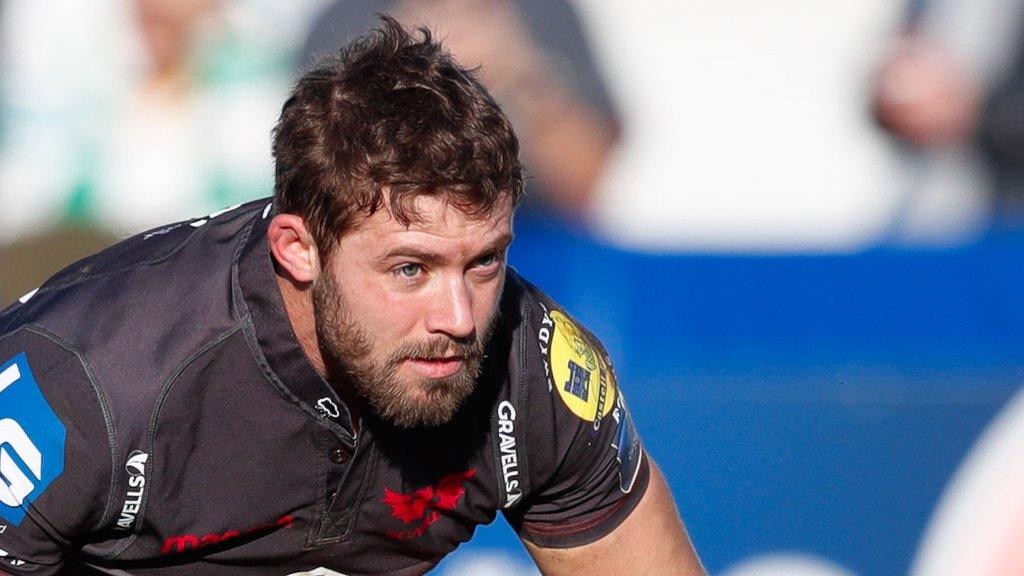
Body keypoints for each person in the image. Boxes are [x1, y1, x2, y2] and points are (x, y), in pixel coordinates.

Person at [0, 17, 703, 576]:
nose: (458, 319)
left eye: (485, 262)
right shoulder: (80, 383)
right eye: (409, 269)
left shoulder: (538, 370)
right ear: (298, 251)